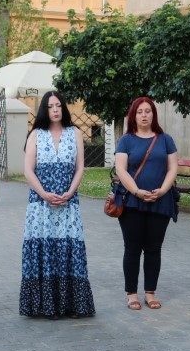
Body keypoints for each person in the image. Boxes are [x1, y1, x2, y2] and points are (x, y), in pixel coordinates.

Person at [19, 90, 95, 318]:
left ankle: (73, 305)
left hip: (68, 203)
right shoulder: (35, 135)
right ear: (44, 109)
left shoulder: (75, 133)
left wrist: (70, 192)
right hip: (41, 205)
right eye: (50, 106)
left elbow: (80, 167)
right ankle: (45, 306)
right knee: (44, 249)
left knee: (69, 248)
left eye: (58, 105)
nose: (55, 110)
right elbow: (28, 170)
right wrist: (44, 194)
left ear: (63, 108)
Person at [113, 97, 179, 311]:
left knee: (153, 249)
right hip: (132, 202)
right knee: (132, 248)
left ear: (153, 114)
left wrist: (163, 190)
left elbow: (173, 167)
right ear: (133, 115)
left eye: (148, 111)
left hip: (161, 202)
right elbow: (121, 169)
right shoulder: (126, 140)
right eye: (140, 111)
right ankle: (131, 293)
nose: (144, 115)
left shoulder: (165, 139)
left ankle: (150, 293)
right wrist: (137, 192)